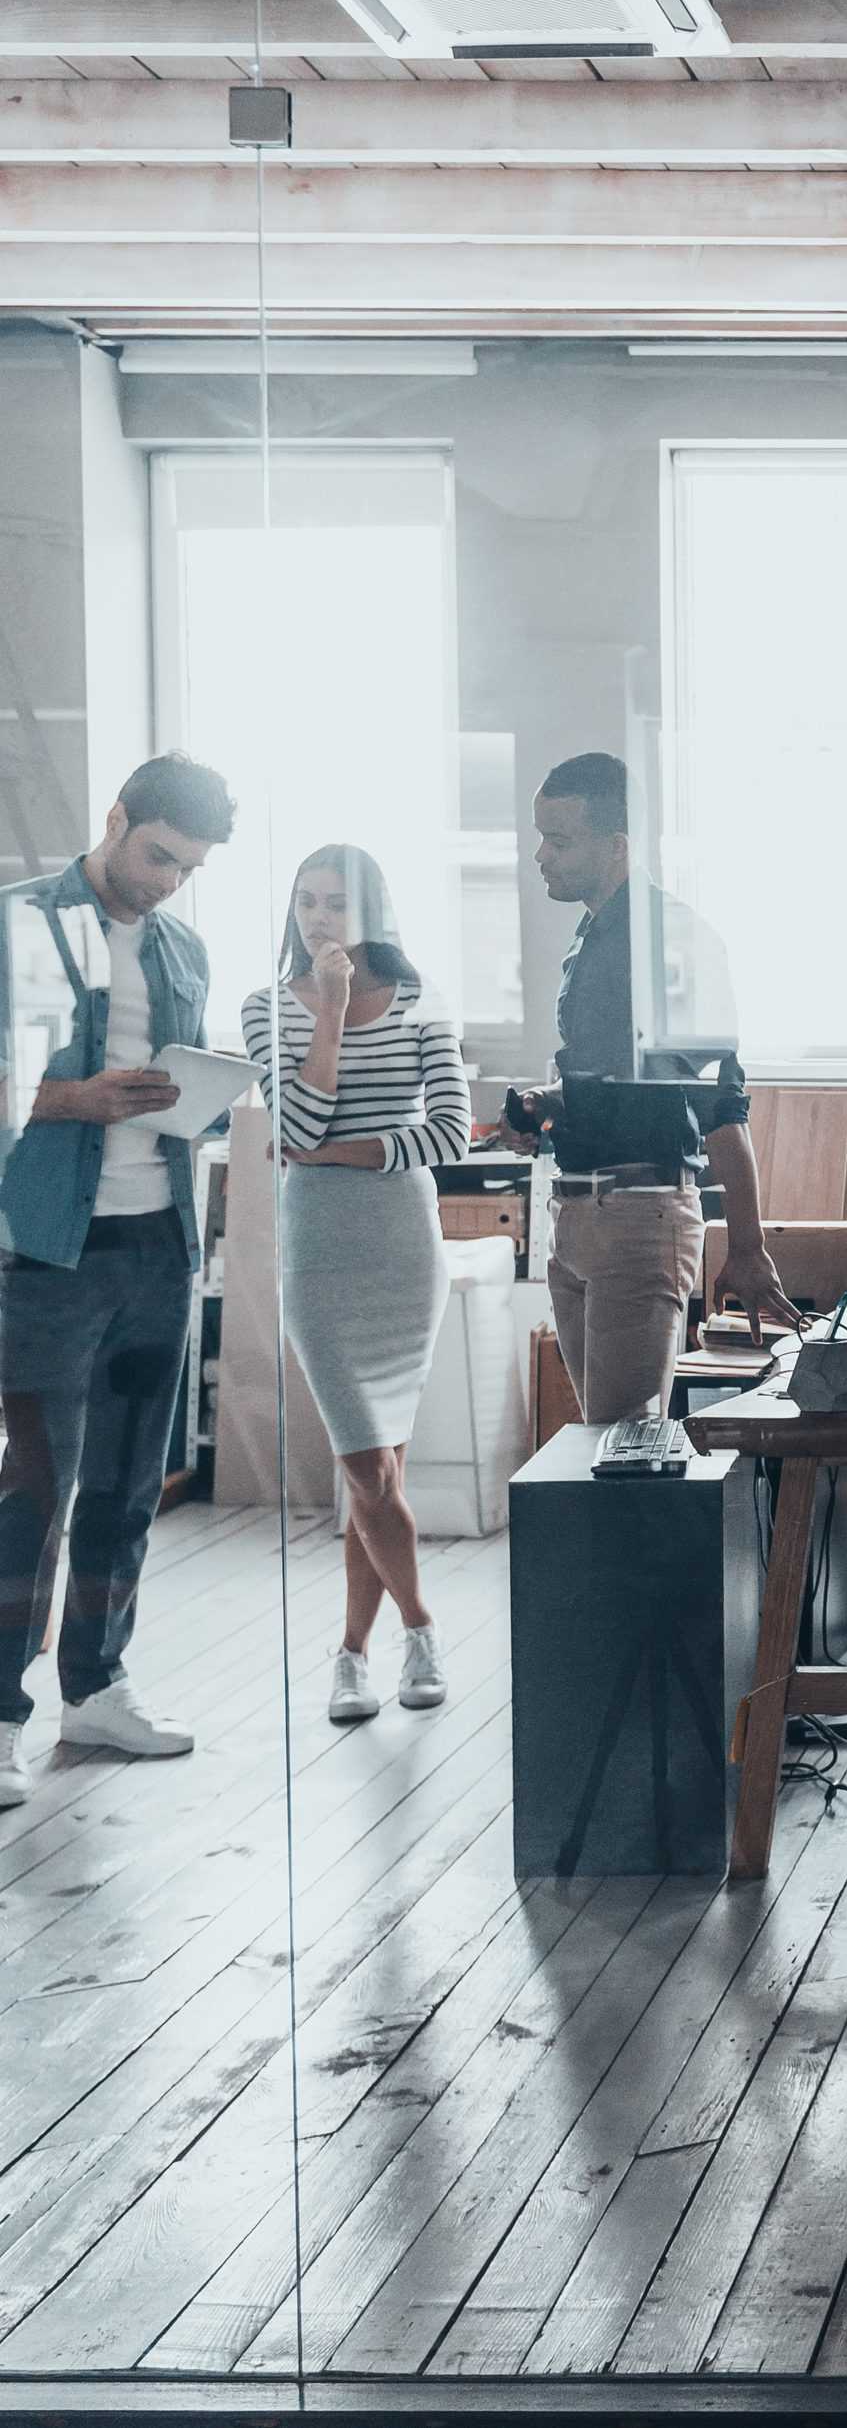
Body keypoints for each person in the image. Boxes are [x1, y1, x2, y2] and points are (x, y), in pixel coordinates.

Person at [0, 754, 236, 1811]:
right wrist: (73, 1098)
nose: (165, 883)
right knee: (32, 1492)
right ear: (115, 820)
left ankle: (95, 1686)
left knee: (132, 1484)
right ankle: (3, 1713)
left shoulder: (183, 945)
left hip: (160, 1247)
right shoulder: (21, 923)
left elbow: (178, 1088)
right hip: (48, 1252)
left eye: (185, 869)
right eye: (156, 857)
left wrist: (203, 1099)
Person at [497, 755, 800, 1423]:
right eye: (539, 836)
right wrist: (542, 1107)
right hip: (576, 1215)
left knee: (624, 1450)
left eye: (560, 839)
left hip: (637, 1217)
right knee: (603, 1445)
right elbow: (613, 1084)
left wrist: (747, 1246)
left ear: (617, 847)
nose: (541, 855)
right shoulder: (591, 938)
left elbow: (720, 1104)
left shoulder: (673, 943)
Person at [243, 847, 471, 1725]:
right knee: (369, 1467)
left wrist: (336, 1153)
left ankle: (349, 1655)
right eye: (305, 902)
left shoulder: (423, 1004)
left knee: (375, 1476)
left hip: (403, 1248)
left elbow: (450, 1133)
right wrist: (330, 1014)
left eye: (336, 902)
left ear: (374, 910)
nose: (319, 918)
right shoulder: (266, 1007)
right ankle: (421, 1625)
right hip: (319, 1251)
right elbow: (292, 1117)